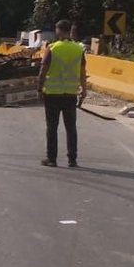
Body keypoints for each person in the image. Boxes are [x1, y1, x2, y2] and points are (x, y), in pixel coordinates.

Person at [38, 19, 88, 167]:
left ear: (59, 30)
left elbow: (42, 71)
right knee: (71, 128)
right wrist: (84, 90)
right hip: (70, 95)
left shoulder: (52, 48)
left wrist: (39, 88)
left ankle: (51, 159)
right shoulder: (79, 49)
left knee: (52, 127)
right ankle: (72, 159)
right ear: (70, 30)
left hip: (53, 94)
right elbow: (82, 72)